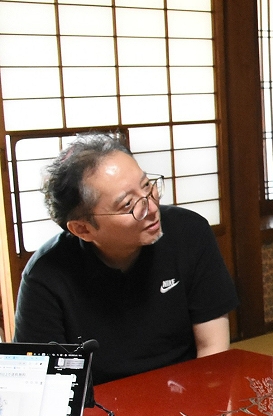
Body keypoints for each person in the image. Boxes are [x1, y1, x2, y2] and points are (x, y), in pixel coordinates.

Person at [13, 134, 237, 385]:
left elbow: (213, 349)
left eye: (147, 186)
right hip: (97, 402)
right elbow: (43, 381)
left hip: (186, 393)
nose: (152, 207)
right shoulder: (46, 275)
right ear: (83, 229)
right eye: (128, 204)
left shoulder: (190, 233)